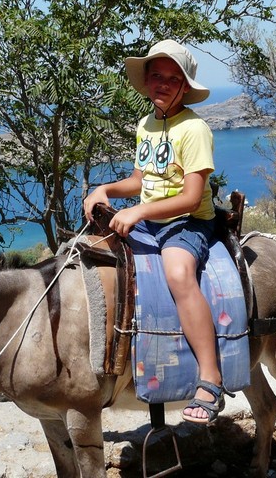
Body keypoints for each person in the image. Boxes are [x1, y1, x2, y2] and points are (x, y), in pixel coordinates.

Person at [83, 39, 227, 424]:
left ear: (185, 86)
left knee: (178, 273)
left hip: (188, 222)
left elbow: (192, 195)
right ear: (146, 82)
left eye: (172, 78)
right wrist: (106, 191)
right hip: (150, 218)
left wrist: (140, 211)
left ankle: (210, 377)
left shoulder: (193, 129)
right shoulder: (145, 125)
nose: (162, 84)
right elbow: (139, 180)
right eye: (156, 76)